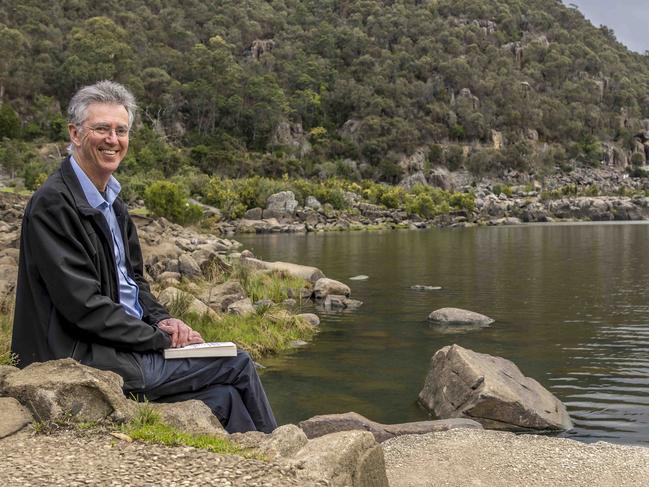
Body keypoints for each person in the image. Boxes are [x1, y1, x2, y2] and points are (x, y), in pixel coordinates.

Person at [11, 80, 277, 434]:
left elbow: (134, 283)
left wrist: (165, 321)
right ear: (75, 133)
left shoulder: (111, 201)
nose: (113, 139)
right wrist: (159, 340)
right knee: (237, 361)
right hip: (81, 355)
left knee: (225, 396)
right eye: (101, 128)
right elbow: (83, 307)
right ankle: (285, 454)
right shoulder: (54, 204)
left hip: (120, 345)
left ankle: (259, 464)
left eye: (121, 130)